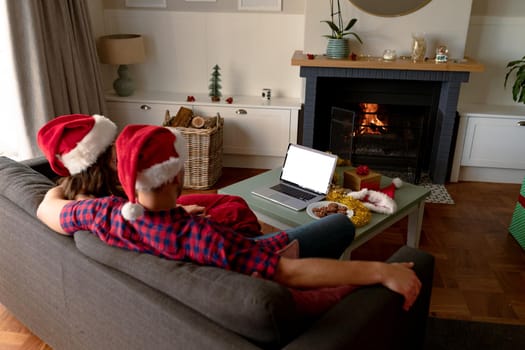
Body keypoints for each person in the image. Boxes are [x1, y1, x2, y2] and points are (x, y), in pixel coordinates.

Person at [37, 124, 422, 311]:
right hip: (252, 257)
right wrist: (380, 270)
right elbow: (286, 274)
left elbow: (46, 208)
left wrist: (174, 212)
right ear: (176, 176)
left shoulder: (101, 214)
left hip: (230, 251)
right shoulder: (203, 237)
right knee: (340, 223)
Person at [37, 114, 262, 234]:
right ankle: (253, 246)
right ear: (95, 164)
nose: (120, 150)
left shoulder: (76, 190)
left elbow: (48, 203)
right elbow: (140, 225)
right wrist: (175, 213)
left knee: (232, 200)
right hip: (160, 219)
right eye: (112, 152)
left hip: (150, 207)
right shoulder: (97, 207)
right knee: (235, 212)